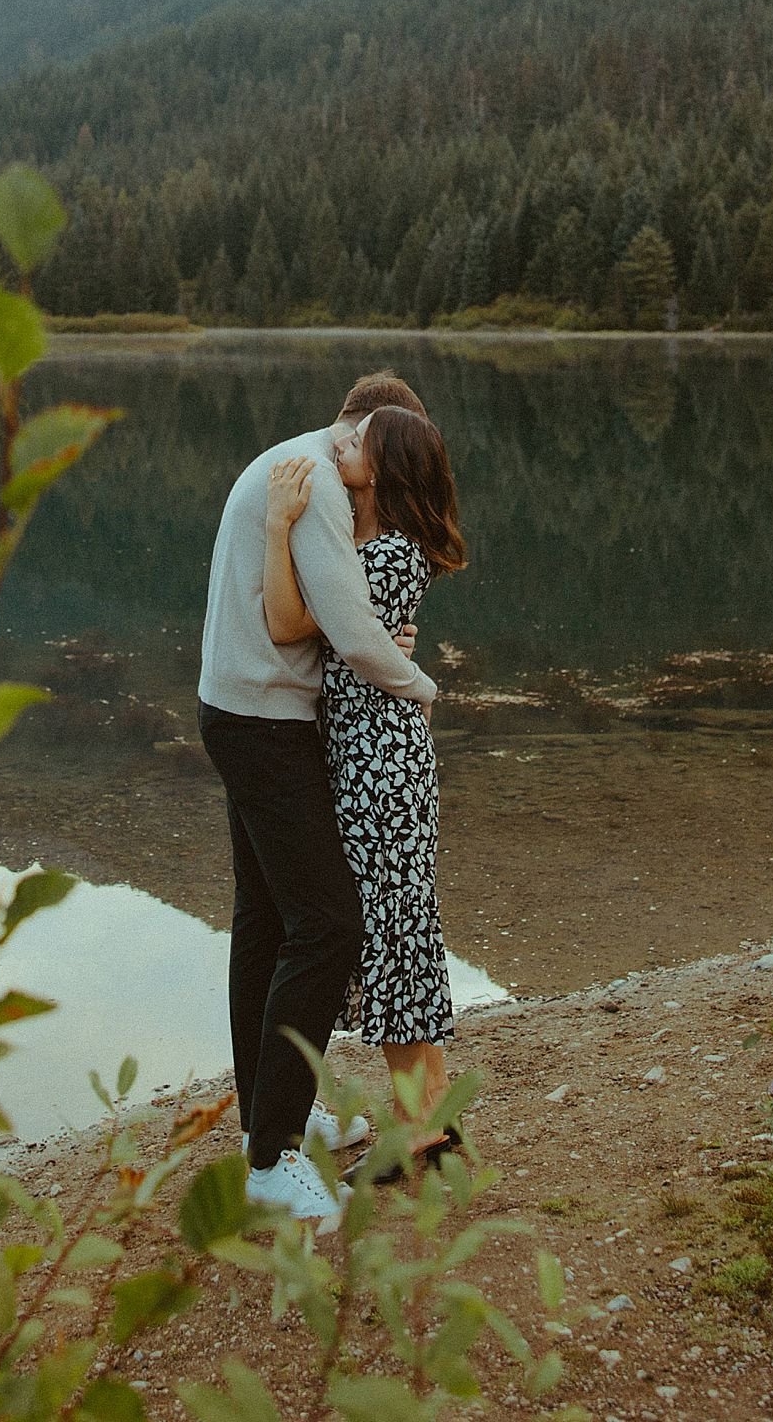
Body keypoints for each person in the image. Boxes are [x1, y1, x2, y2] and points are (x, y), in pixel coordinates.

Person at [198, 373, 438, 1228]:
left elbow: (342, 613)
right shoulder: (320, 484)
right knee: (329, 923)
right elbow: (324, 620)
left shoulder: (296, 462)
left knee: (264, 921)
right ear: (370, 428)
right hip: (264, 724)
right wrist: (419, 680)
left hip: (241, 710)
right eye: (365, 442)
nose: (354, 457)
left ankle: (273, 1119)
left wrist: (379, 631)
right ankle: (271, 1161)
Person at [263, 406, 467, 1171]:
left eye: (356, 440)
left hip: (381, 764)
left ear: (379, 468)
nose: (337, 442)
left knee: (395, 937)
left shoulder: (385, 557)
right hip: (371, 759)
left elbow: (286, 625)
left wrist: (279, 525)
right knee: (399, 934)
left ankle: (424, 1129)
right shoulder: (369, 544)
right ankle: (429, 1128)